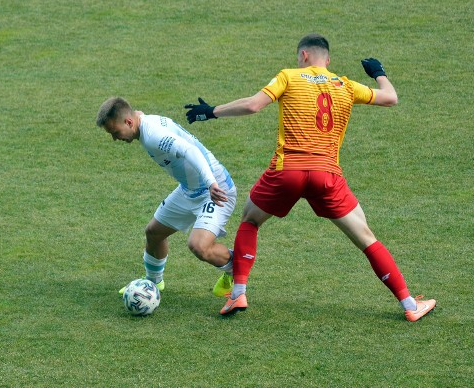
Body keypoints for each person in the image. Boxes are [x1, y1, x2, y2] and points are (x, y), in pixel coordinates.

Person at [184, 33, 436, 322]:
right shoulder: (345, 85)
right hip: (327, 176)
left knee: (250, 221)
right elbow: (391, 98)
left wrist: (211, 112)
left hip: (286, 172)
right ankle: (409, 305)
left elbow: (253, 105)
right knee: (367, 239)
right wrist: (378, 73)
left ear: (303, 55)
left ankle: (238, 293)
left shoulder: (288, 77)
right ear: (327, 60)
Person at [96, 97, 237, 299]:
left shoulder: (153, 135)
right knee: (153, 232)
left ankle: (236, 269)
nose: (115, 139)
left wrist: (211, 183)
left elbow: (190, 150)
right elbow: (140, 114)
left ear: (128, 122)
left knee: (199, 246)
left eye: (115, 132)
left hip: (215, 189)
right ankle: (153, 283)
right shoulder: (141, 121)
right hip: (190, 189)